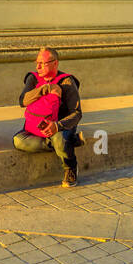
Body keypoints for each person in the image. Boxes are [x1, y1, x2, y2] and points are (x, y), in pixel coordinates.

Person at [12, 47, 83, 188]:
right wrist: (46, 88)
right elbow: (23, 101)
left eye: (43, 63)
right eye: (37, 62)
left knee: (59, 138)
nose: (38, 67)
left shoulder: (67, 81)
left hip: (60, 125)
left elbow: (76, 113)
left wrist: (57, 126)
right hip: (36, 125)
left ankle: (70, 168)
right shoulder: (33, 78)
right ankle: (69, 143)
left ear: (55, 63)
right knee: (18, 141)